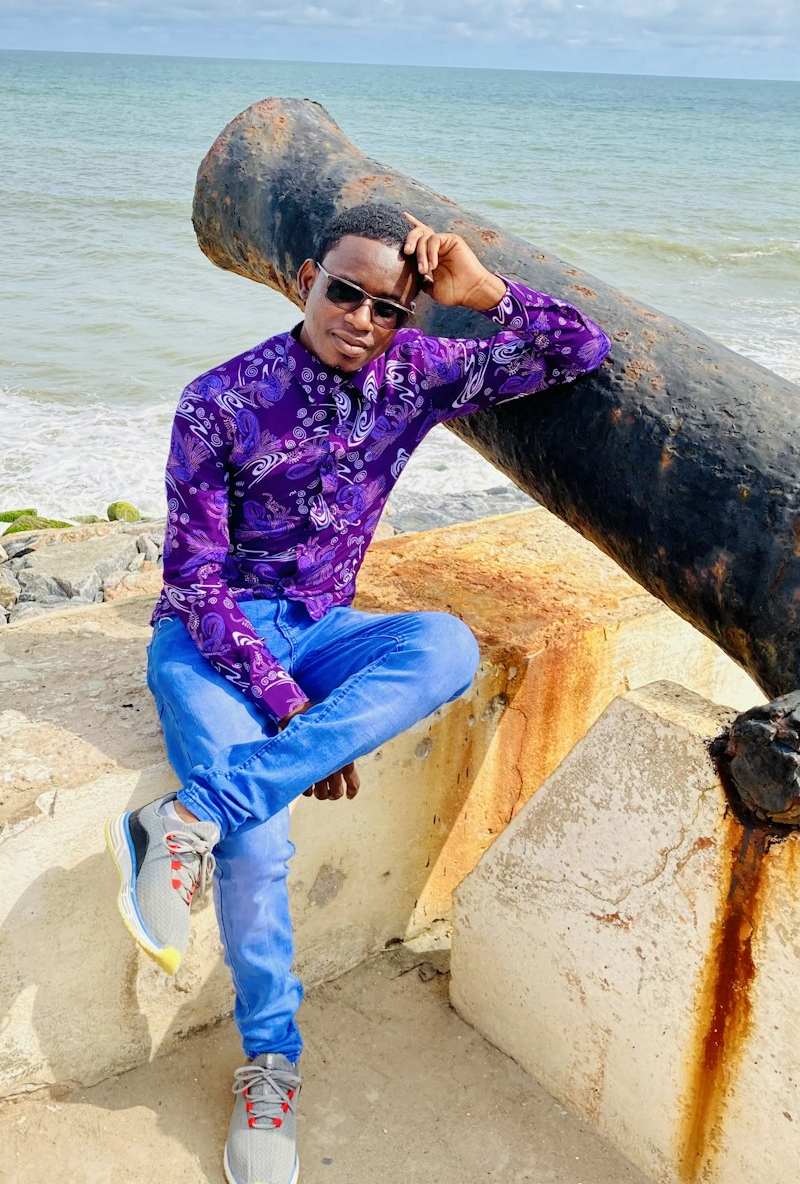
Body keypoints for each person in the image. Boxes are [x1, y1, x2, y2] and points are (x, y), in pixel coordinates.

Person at [106, 202, 610, 1184]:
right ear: (305, 277)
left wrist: (480, 289)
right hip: (215, 640)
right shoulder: (219, 398)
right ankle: (270, 1062)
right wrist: (294, 714)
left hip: (326, 627)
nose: (362, 320)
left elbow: (576, 349)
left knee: (444, 645)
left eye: (388, 306)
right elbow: (194, 585)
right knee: (262, 835)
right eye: (346, 292)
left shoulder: (413, 371)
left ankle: (189, 812)